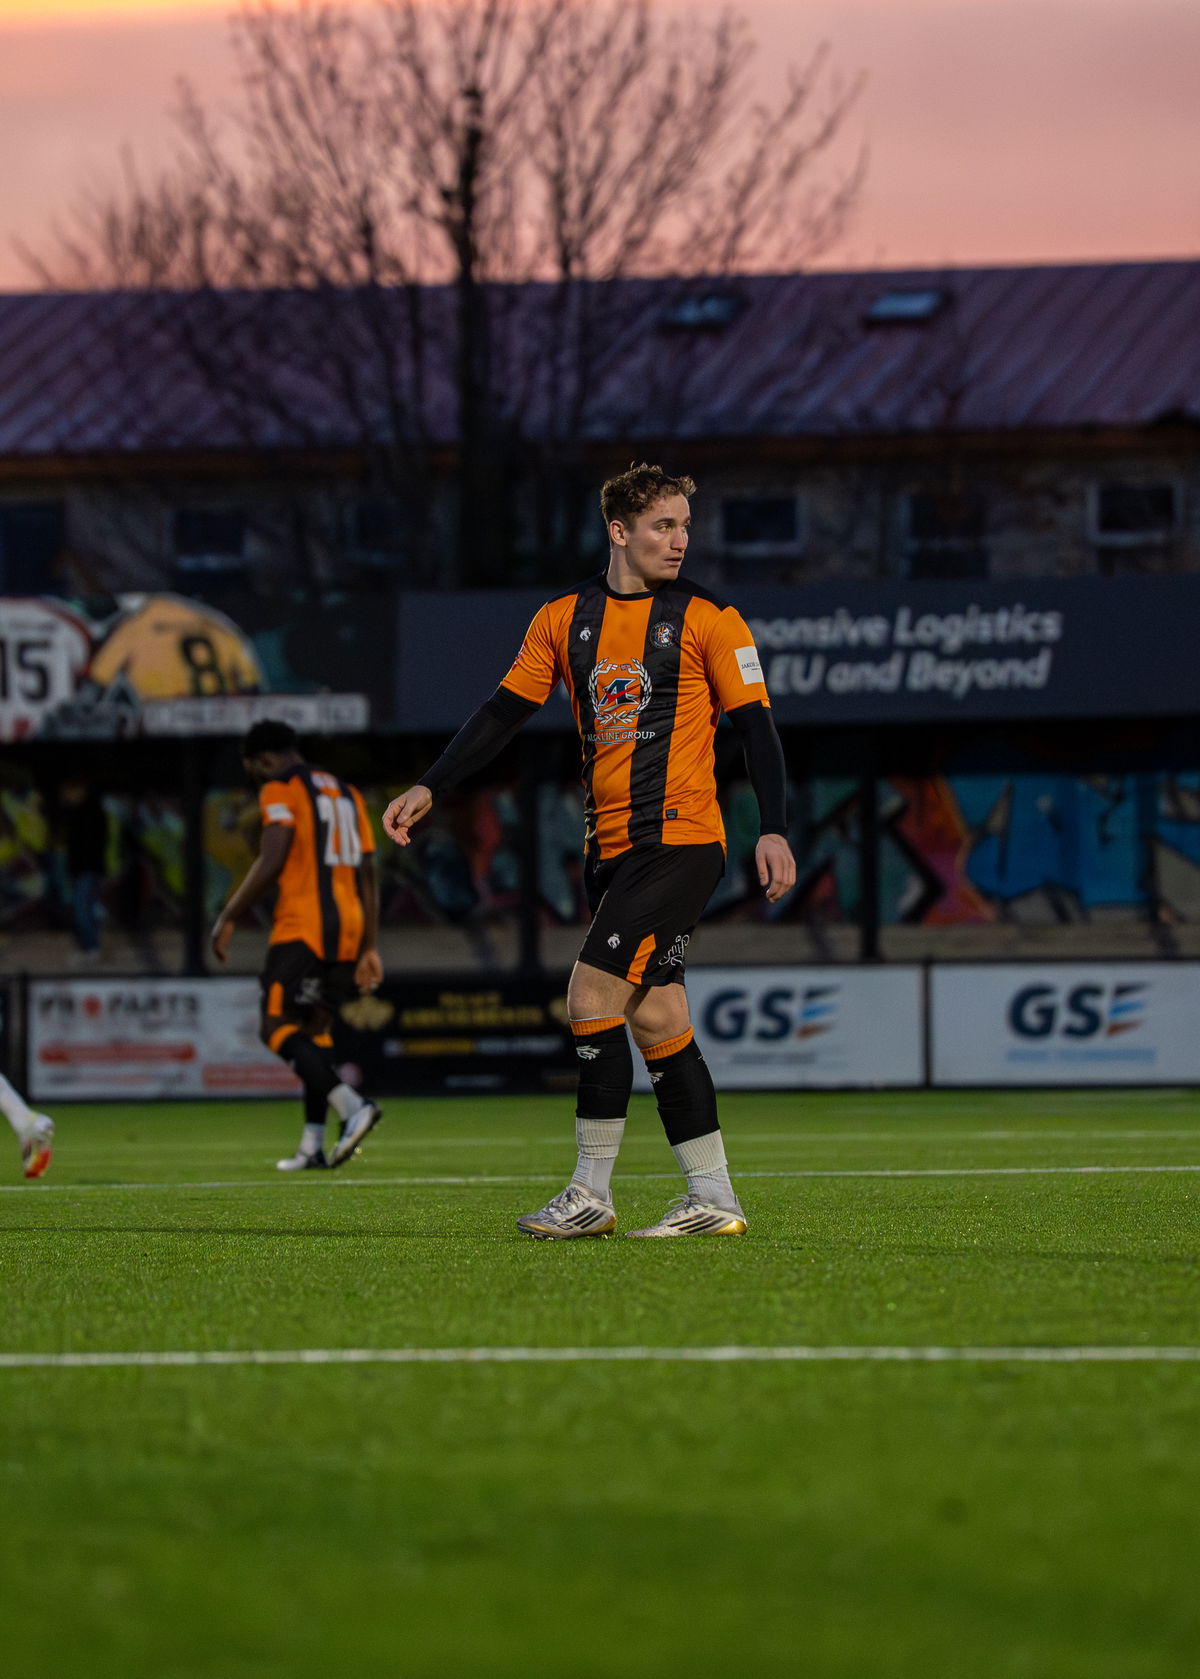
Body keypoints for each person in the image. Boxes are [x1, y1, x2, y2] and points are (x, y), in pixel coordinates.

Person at [384, 463, 796, 1238]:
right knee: (658, 1014)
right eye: (662, 525)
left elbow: (758, 728)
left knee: (589, 996)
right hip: (609, 848)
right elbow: (502, 712)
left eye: (684, 525)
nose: (679, 540)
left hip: (680, 839)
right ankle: (714, 1196)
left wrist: (772, 825)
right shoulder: (562, 618)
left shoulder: (711, 617)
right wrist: (433, 784)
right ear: (619, 530)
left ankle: (589, 1193)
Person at [211, 720, 384, 1171]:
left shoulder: (281, 787)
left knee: (274, 1026)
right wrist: (369, 945)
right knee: (314, 1032)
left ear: (263, 760)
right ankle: (312, 1145)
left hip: (304, 926)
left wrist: (229, 914)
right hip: (349, 927)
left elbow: (273, 858)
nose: (255, 779)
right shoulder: (348, 793)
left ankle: (352, 1106)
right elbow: (368, 873)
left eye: (253, 770)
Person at [0, 1072, 54, 1179]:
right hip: (34, 1122)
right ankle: (41, 1149)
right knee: (32, 1137)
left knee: (32, 1136)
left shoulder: (23, 1125)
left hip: (33, 1122)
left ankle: (41, 1148)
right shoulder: (24, 1125)